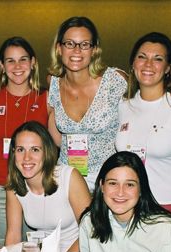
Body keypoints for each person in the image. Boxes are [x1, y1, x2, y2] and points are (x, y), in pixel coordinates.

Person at [116, 32, 171, 229]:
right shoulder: (122, 107)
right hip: (129, 206)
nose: (148, 64)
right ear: (132, 63)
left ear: (168, 68)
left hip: (170, 206)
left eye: (158, 59)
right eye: (142, 57)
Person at [0, 37, 49, 246]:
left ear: (33, 62)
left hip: (35, 187)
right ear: (1, 65)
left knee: (35, 246)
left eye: (23, 60)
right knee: (4, 246)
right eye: (10, 61)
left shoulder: (46, 98)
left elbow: (58, 140)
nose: (17, 67)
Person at [47, 16, 127, 191]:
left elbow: (149, 95)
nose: (77, 50)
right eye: (70, 43)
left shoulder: (115, 80)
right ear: (59, 48)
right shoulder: (53, 83)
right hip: (68, 175)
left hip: (109, 179)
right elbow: (56, 134)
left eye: (84, 44)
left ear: (94, 50)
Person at [5, 122, 91, 252]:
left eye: (35, 149)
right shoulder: (14, 184)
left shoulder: (69, 177)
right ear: (13, 153)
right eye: (20, 149)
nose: (26, 158)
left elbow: (90, 230)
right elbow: (13, 234)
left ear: (47, 152)